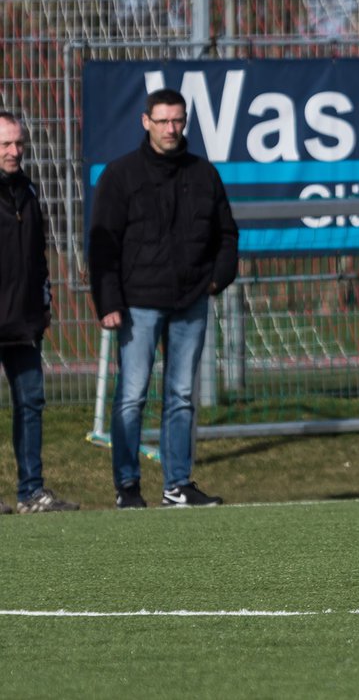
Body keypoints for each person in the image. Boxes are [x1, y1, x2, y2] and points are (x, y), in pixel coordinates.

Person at [88, 88, 239, 509]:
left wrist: (216, 280)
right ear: (145, 122)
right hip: (137, 303)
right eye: (163, 120)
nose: (171, 129)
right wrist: (109, 301)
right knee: (132, 394)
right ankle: (127, 487)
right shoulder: (120, 176)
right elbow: (103, 246)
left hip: (191, 300)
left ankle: (178, 485)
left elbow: (227, 235)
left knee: (182, 395)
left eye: (178, 120)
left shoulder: (203, 174)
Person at [0, 111, 79, 514]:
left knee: (30, 403)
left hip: (24, 321)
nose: (15, 152)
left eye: (19, 144)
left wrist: (43, 303)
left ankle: (32, 491)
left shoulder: (28, 190)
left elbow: (37, 254)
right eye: (6, 145)